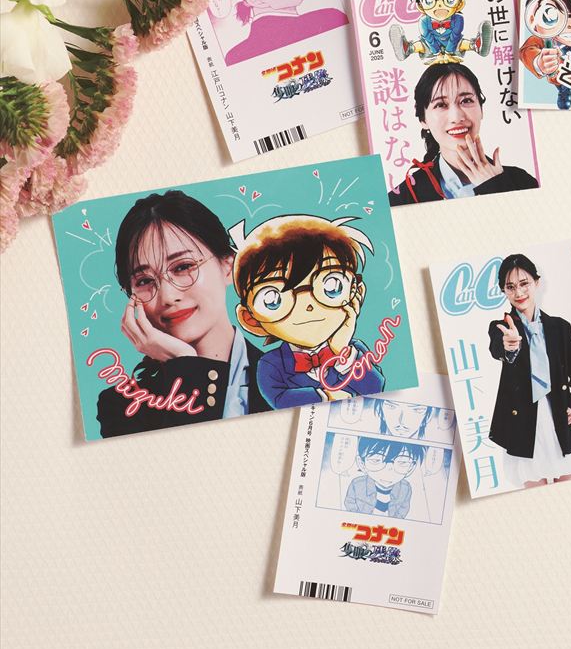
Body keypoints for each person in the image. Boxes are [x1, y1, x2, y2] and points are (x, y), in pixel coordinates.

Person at [98, 191, 271, 437]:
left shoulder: (292, 379)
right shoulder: (121, 407)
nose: (168, 296)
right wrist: (186, 365)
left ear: (227, 266)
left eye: (183, 267)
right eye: (145, 281)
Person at [232, 214, 384, 408]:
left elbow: (377, 388)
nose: (307, 305)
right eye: (272, 299)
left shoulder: (354, 350)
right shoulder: (271, 364)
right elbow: (280, 401)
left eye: (332, 285)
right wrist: (324, 397)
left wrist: (341, 353)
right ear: (250, 319)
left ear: (356, 293)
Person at [487, 254, 571, 488]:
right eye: (510, 287)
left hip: (558, 416)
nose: (518, 292)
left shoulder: (560, 328)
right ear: (503, 291)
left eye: (524, 283)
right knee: (535, 494)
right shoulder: (501, 328)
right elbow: (498, 348)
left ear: (537, 282)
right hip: (524, 422)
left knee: (567, 490)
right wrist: (510, 346)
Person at [389, 62, 538, 205]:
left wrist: (496, 188)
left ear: (481, 109)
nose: (456, 117)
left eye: (466, 100)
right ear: (423, 119)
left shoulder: (522, 182)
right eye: (441, 104)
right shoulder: (401, 199)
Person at [388, 0, 492, 63]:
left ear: (460, 4)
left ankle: (477, 45)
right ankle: (407, 48)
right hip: (431, 46)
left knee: (461, 43)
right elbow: (428, 38)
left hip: (453, 45)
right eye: (428, 0)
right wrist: (437, 53)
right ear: (420, 6)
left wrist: (448, 53)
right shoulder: (424, 21)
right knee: (422, 44)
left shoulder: (458, 19)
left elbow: (455, 36)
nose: (439, 4)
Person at [343, 437, 424, 518]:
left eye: (402, 462)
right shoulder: (357, 484)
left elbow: (404, 508)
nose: (388, 470)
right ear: (361, 463)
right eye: (376, 460)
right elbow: (350, 502)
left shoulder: (405, 488)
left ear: (411, 467)